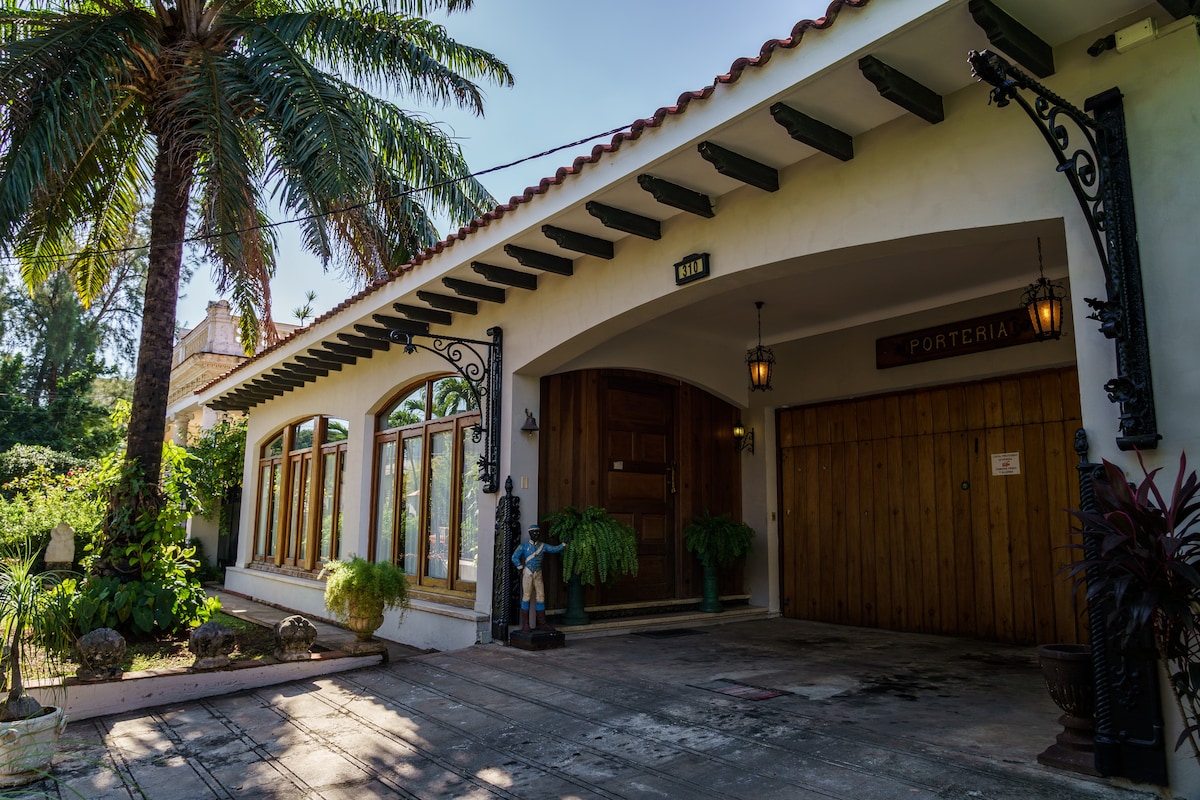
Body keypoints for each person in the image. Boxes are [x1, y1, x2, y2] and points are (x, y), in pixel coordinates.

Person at [511, 523, 564, 633]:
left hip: (538, 573)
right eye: (533, 532)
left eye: (537, 532)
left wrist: (564, 544)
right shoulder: (524, 546)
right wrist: (520, 567)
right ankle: (526, 624)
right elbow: (514, 557)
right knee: (526, 596)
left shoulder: (543, 546)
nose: (536, 534)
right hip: (528, 573)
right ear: (529, 533)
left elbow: (554, 549)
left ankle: (542, 623)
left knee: (541, 596)